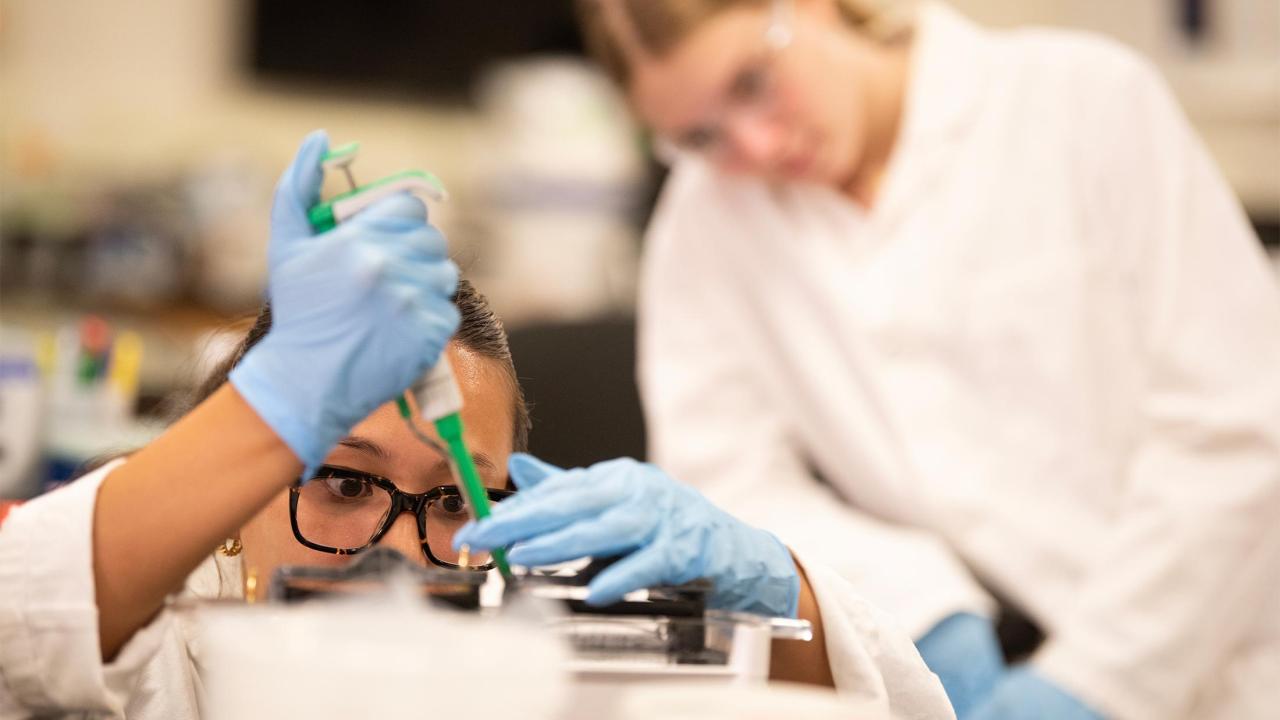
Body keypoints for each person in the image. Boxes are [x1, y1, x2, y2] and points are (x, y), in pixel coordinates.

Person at [0, 132, 952, 719]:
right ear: (239, 491)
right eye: (341, 481)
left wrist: (777, 584)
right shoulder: (152, 664)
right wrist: (278, 400)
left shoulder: (530, 654)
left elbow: (893, 710)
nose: (395, 556)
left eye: (455, 500)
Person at [567, 0, 1280, 718]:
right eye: (698, 135)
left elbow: (1234, 428)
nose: (754, 146)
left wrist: (1095, 681)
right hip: (962, 667)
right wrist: (920, 606)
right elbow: (732, 482)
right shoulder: (705, 216)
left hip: (1218, 661)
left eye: (751, 82)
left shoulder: (1080, 103)